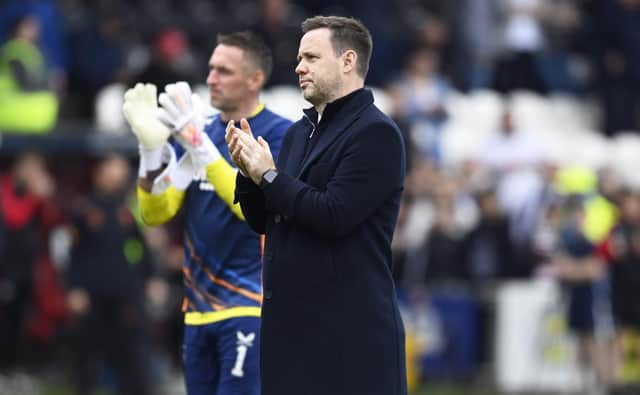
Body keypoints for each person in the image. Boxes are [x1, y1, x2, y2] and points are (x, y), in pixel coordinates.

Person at [226, 16, 408, 395]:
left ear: (347, 61)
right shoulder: (297, 134)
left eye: (311, 57)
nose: (298, 67)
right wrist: (248, 173)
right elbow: (266, 221)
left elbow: (333, 215)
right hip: (291, 337)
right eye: (298, 58)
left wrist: (269, 176)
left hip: (349, 342)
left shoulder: (376, 133)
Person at [122, 31, 290, 395]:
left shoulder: (278, 135)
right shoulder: (204, 131)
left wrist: (197, 144)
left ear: (255, 79)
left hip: (250, 306)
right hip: (197, 310)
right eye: (211, 68)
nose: (211, 78)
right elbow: (156, 212)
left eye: (224, 71)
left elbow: (257, 210)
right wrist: (151, 151)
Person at [65, 154, 153, 395]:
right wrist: (74, 288)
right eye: (113, 170)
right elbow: (73, 253)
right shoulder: (84, 209)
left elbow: (143, 249)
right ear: (100, 172)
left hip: (124, 292)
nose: (118, 176)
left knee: (129, 354)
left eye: (122, 171)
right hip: (92, 293)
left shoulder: (128, 209)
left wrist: (151, 279)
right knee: (88, 354)